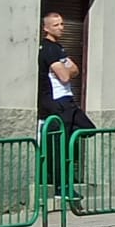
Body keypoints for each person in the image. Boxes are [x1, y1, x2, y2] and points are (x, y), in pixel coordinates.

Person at [38, 11, 95, 196]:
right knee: (59, 145)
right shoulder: (48, 49)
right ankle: (62, 185)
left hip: (68, 101)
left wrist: (68, 70)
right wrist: (68, 70)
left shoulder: (59, 48)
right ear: (46, 28)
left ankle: (67, 177)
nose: (61, 27)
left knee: (87, 129)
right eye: (56, 25)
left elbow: (76, 69)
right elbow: (64, 75)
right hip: (57, 103)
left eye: (62, 24)